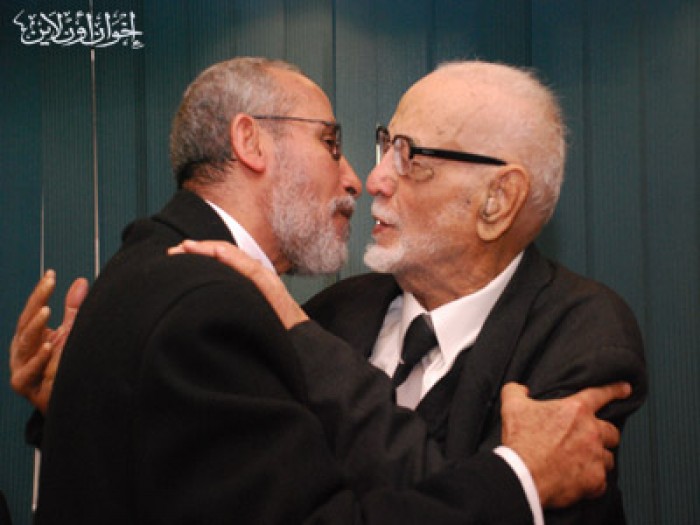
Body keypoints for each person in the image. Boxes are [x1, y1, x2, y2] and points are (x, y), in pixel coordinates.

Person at [10, 57, 630, 524]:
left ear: (498, 201)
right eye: (376, 145)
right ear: (250, 142)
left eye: (410, 155)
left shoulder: (586, 335)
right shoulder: (304, 312)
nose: (372, 179)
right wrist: (99, 407)